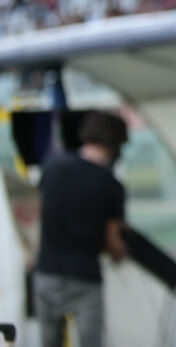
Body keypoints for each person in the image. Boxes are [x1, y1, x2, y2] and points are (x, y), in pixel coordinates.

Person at [35, 111, 129, 347]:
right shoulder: (111, 184)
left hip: (46, 272)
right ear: (114, 145)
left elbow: (34, 215)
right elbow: (112, 239)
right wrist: (121, 254)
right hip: (84, 277)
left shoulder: (52, 167)